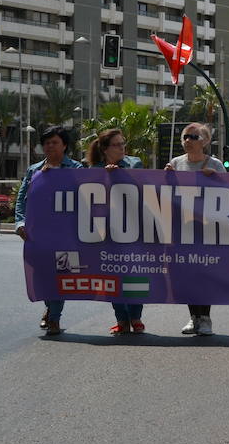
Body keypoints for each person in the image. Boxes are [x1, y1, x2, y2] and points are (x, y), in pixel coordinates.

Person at [15, 125, 84, 336]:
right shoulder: (34, 170)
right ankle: (50, 307)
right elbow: (22, 199)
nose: (50, 146)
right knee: (44, 276)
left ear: (64, 145)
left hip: (67, 236)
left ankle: (54, 318)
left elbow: (85, 196)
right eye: (46, 143)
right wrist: (20, 223)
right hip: (39, 236)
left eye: (54, 142)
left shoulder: (77, 169)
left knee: (62, 276)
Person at [165, 123, 227, 336]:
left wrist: (216, 179)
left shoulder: (215, 164)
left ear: (205, 141)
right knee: (186, 275)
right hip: (182, 229)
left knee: (204, 274)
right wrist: (166, 177)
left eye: (193, 137)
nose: (188, 141)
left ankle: (205, 318)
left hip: (206, 229)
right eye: (185, 137)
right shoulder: (175, 163)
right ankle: (193, 317)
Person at [86, 129, 145, 335]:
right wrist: (105, 177)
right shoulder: (95, 169)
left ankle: (136, 317)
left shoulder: (134, 163)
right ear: (104, 149)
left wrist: (120, 175)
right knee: (112, 275)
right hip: (107, 231)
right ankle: (121, 319)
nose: (122, 148)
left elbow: (141, 186)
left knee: (135, 273)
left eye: (123, 143)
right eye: (116, 144)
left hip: (133, 229)